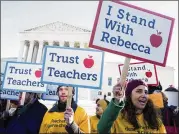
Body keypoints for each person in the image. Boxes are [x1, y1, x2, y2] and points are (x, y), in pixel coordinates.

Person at [98, 79, 166, 133]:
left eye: (145, 92)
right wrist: (116, 100)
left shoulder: (155, 120)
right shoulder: (118, 118)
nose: (144, 95)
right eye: (139, 91)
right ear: (129, 96)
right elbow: (102, 130)